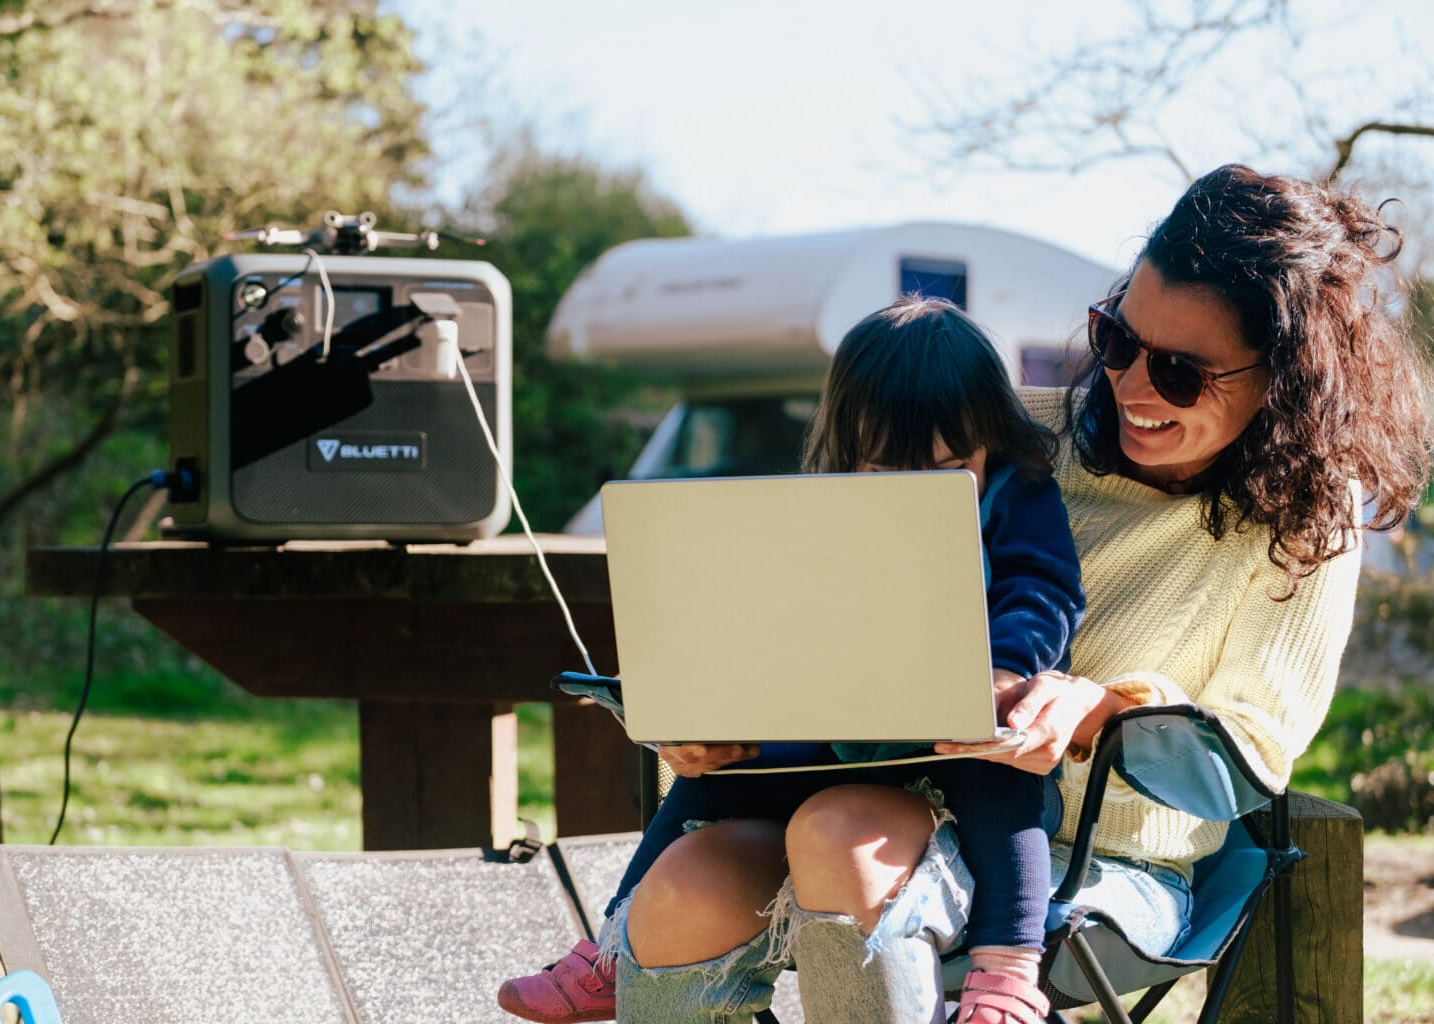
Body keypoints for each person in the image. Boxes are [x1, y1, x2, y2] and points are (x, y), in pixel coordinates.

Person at [597, 163, 1434, 1024]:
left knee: (839, 832)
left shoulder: (1303, 521)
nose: (1133, 387)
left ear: (1285, 378)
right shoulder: (992, 436)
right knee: (686, 886)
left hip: (1098, 868)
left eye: (1182, 373)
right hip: (887, 793)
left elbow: (1246, 762)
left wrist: (1100, 710)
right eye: (1117, 341)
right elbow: (833, 611)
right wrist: (731, 728)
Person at [498, 297, 1085, 1023]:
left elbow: (1045, 589)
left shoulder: (1014, 495)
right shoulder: (817, 503)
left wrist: (1004, 668)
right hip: (830, 723)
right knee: (713, 777)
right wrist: (723, 696)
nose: (916, 487)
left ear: (989, 438)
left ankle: (1008, 970)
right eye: (884, 469)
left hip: (953, 727)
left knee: (1004, 777)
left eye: (947, 465)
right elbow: (765, 609)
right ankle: (611, 953)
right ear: (847, 447)